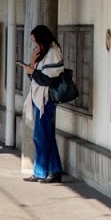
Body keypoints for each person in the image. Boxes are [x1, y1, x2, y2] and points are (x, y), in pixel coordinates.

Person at [20, 24, 64, 183]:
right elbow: (34, 78)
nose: (35, 46)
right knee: (47, 137)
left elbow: (49, 79)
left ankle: (40, 172)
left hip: (46, 101)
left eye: (36, 42)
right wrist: (31, 63)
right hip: (39, 100)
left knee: (40, 137)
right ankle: (55, 171)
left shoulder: (53, 53)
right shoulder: (44, 54)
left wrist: (33, 71)